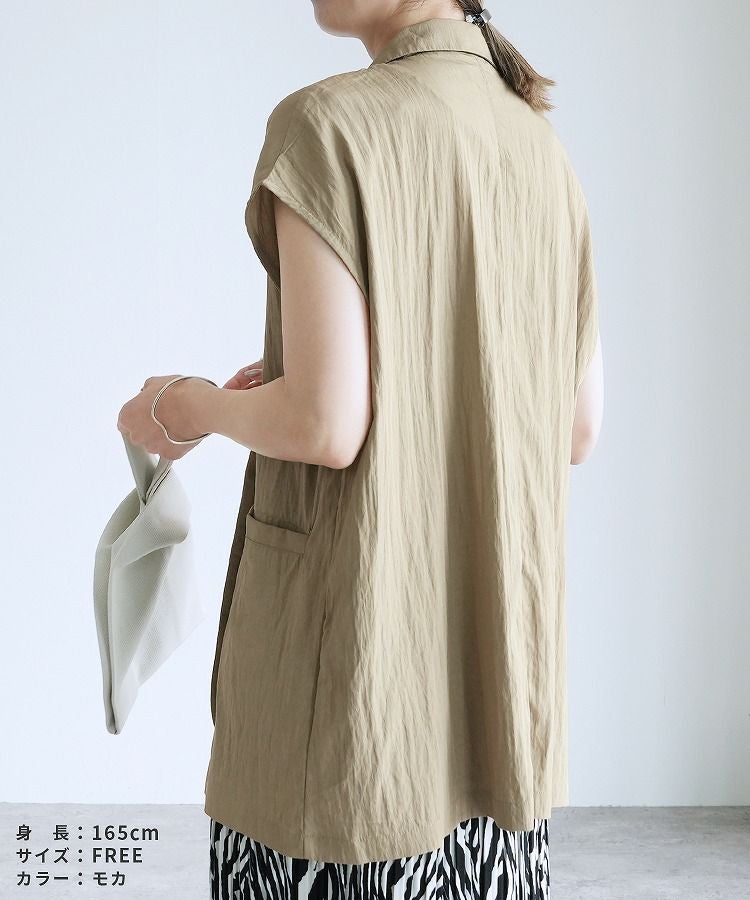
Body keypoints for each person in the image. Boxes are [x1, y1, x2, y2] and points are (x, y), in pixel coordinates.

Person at [117, 1, 604, 897]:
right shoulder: (540, 148)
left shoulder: (328, 125)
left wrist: (182, 406)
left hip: (355, 712)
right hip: (496, 704)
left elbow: (326, 425)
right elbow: (575, 426)